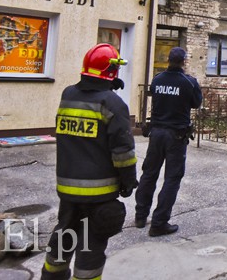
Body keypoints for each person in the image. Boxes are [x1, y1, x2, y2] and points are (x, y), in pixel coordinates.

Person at [41, 43, 137, 280]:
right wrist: (128, 181)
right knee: (92, 243)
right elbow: (122, 151)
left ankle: (51, 275)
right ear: (111, 72)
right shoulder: (113, 104)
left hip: (67, 188)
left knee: (64, 234)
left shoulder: (68, 95)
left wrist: (105, 87)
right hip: (99, 191)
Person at [135, 46, 203, 236]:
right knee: (172, 178)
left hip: (156, 132)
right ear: (184, 62)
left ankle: (141, 215)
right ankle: (159, 222)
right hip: (176, 135)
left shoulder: (157, 80)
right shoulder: (189, 83)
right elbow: (196, 103)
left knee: (149, 173)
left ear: (168, 61)